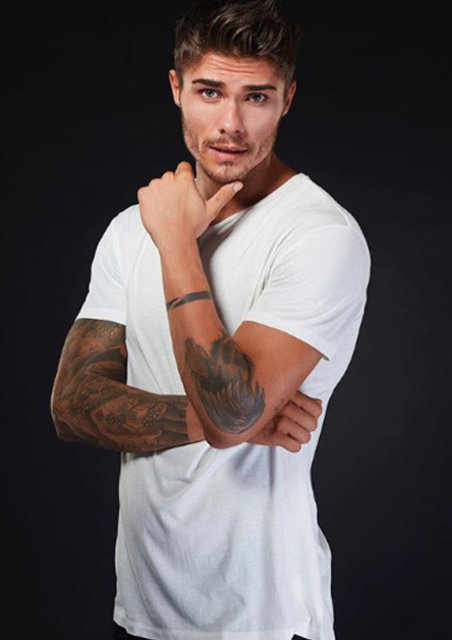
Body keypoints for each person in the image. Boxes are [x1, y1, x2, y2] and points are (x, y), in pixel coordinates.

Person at [51, 1, 371, 639]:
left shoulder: (318, 234)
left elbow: (232, 418)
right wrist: (231, 421)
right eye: (209, 92)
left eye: (257, 97)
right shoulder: (128, 231)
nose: (231, 124)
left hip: (264, 617)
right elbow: (72, 406)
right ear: (176, 89)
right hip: (143, 611)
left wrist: (177, 244)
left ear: (287, 99)